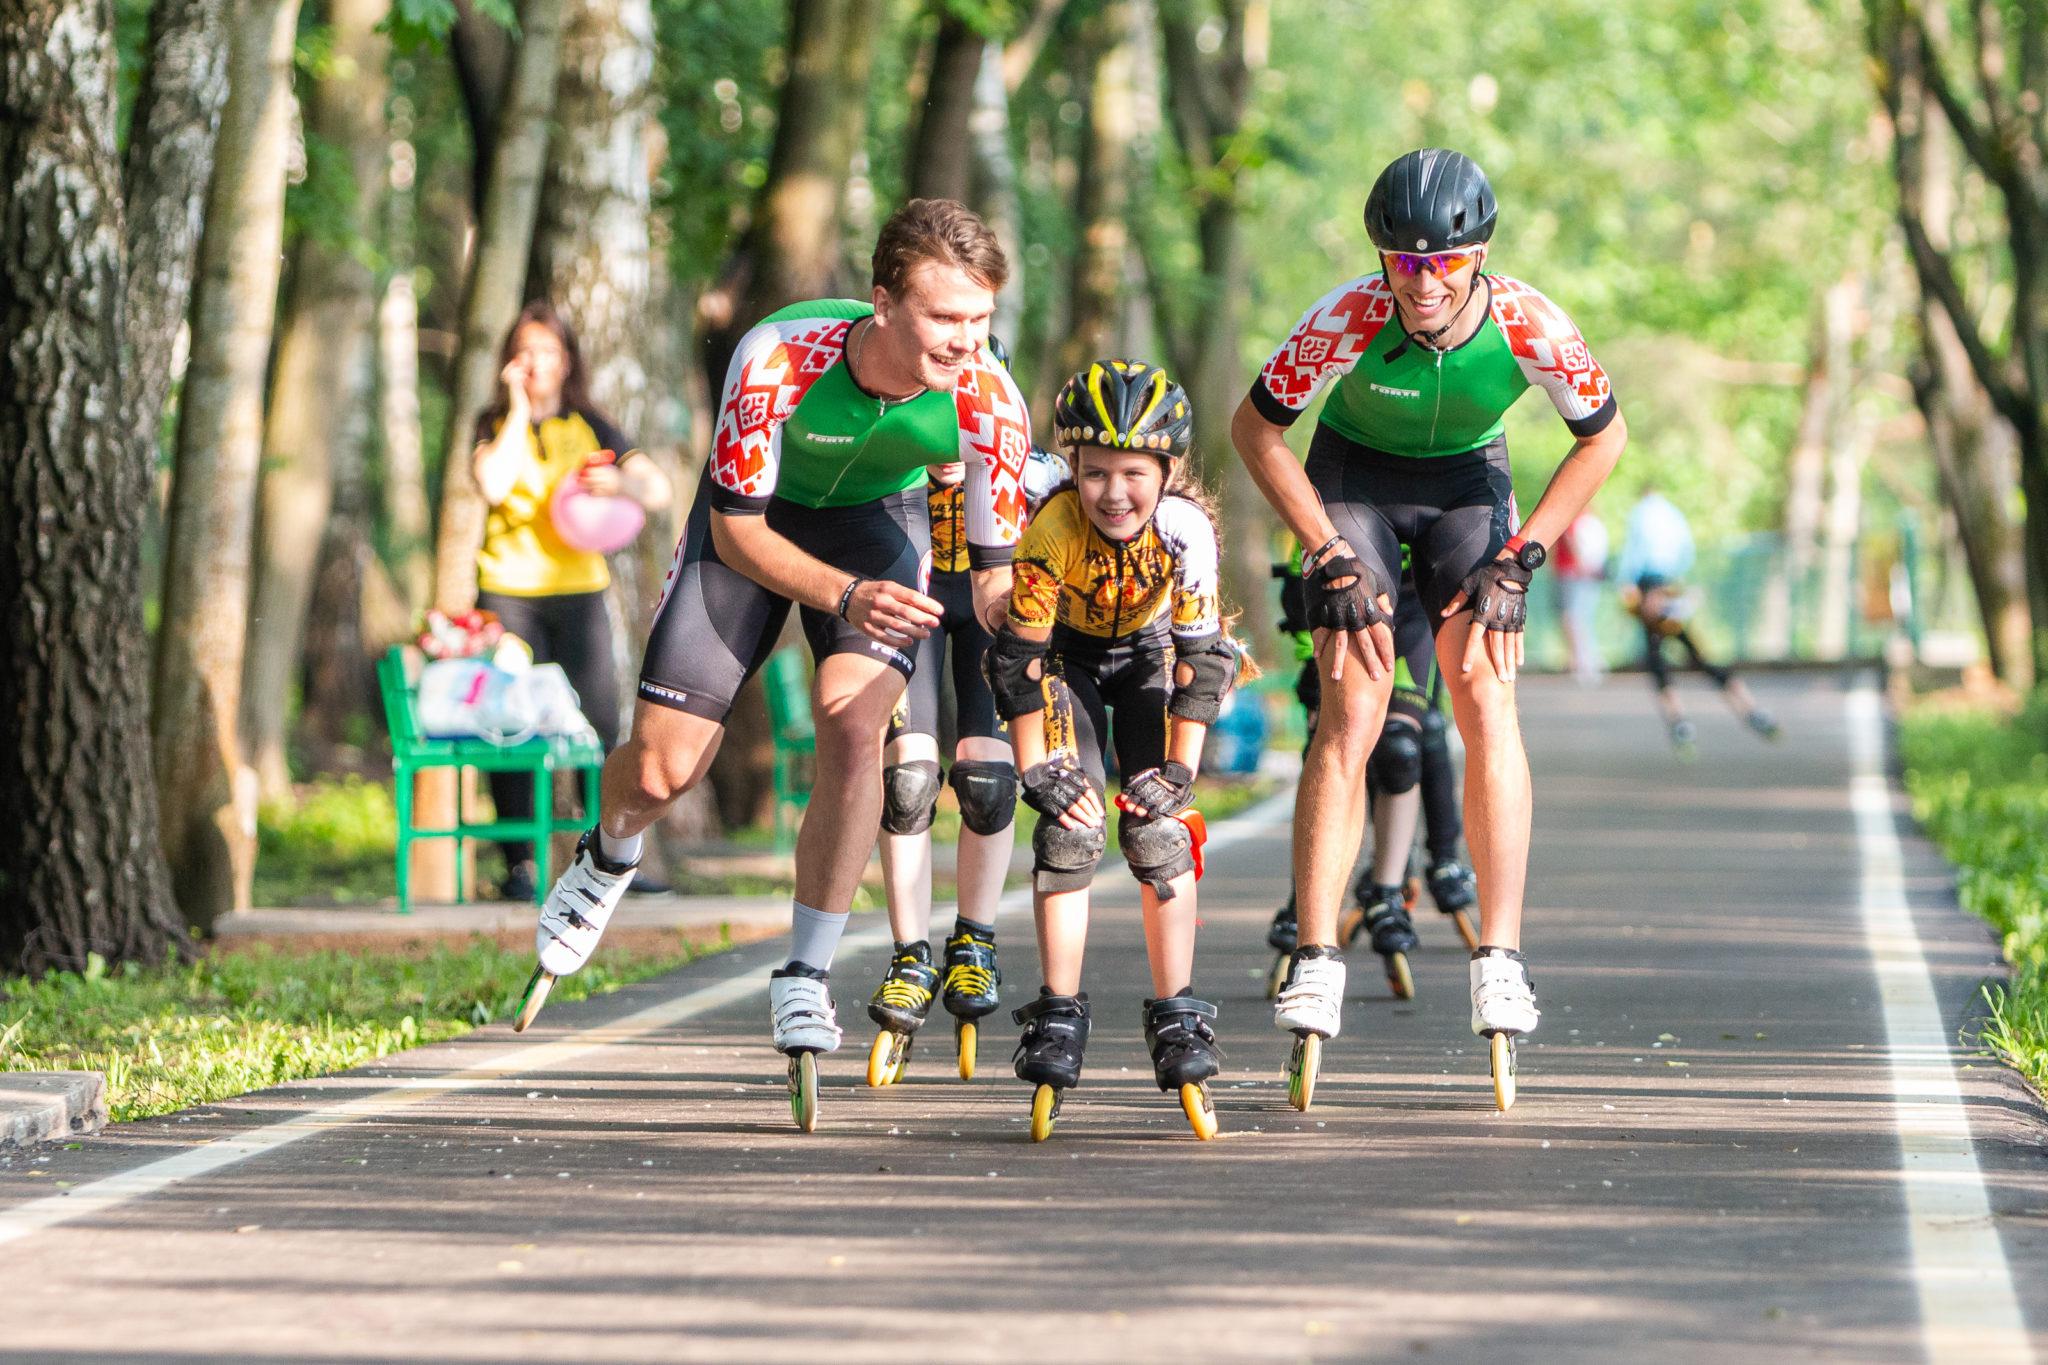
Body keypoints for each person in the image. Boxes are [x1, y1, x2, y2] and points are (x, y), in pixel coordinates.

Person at [517, 200, 1033, 1133]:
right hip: (754, 533)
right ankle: (610, 851)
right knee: (666, 769)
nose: (966, 342)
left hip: (879, 526)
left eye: (980, 319)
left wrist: (1054, 632)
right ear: (881, 303)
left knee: (854, 723)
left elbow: (995, 581)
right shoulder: (778, 360)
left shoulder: (989, 399)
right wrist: (842, 596)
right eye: (944, 318)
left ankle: (804, 972)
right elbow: (736, 527)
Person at [1231, 148, 1628, 1109]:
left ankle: (1501, 953)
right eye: (1402, 263)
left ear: (1479, 256)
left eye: (1444, 264)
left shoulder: (1532, 321)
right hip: (1354, 483)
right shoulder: (1346, 317)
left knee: (1484, 692)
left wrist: (1524, 555)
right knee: (1352, 702)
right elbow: (1255, 431)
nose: (1422, 282)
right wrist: (1323, 550)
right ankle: (1318, 949)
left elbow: (1603, 437)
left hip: (1464, 488)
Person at [991, 360, 1249, 1141]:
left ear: (1165, 472)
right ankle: (1057, 1011)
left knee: (1158, 829)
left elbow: (1200, 661)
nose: (1112, 492)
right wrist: (1035, 766)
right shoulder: (1051, 529)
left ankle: (1180, 1014)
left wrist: (1180, 770)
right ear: (1072, 470)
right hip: (1062, 659)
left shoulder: (1186, 530)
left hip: (1148, 655)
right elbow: (1019, 663)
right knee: (1069, 827)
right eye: (1095, 471)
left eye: (1133, 473)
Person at [866, 429, 1069, 1086]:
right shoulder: (886, 464)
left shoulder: (1035, 474)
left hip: (993, 604)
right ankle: (909, 955)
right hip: (910, 597)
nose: (950, 443)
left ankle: (974, 939)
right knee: (908, 780)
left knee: (987, 779)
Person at [471, 301, 673, 902]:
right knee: (510, 730)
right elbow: (493, 483)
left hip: (580, 594)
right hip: (508, 594)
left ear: (568, 362)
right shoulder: (492, 422)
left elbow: (657, 489)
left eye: (549, 352)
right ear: (511, 359)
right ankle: (520, 867)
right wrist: (515, 409)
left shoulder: (593, 425)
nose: (537, 364)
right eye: (526, 351)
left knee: (600, 726)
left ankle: (609, 858)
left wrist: (620, 482)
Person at [1263, 552, 1479, 1000]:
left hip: (1413, 603)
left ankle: (1389, 890)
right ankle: (1307, 898)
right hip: (1339, 587)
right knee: (1333, 749)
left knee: (1404, 748)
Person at [1614, 486, 1778, 755]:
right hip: (1669, 586)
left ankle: (1679, 721)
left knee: (1658, 661)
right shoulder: (1673, 515)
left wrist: (1628, 583)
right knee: (1696, 656)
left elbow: (1632, 552)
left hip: (1649, 587)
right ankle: (1749, 708)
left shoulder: (1640, 513)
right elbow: (1685, 551)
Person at [1553, 509, 1609, 684]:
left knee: (1573, 618)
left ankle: (1585, 662)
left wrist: (1578, 564)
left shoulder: (1572, 519)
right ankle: (1585, 661)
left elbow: (1571, 542)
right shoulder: (1589, 520)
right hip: (1579, 574)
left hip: (1572, 573)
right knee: (1580, 618)